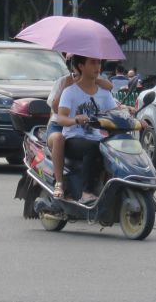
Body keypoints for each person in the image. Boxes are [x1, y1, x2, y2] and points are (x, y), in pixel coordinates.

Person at [46, 58, 112, 199]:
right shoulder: (68, 88)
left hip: (95, 135)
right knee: (89, 146)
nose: (97, 66)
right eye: (92, 63)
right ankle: (79, 189)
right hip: (70, 134)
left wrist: (133, 118)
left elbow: (114, 111)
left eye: (99, 63)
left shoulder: (103, 90)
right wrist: (75, 119)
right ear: (80, 66)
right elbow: (59, 115)